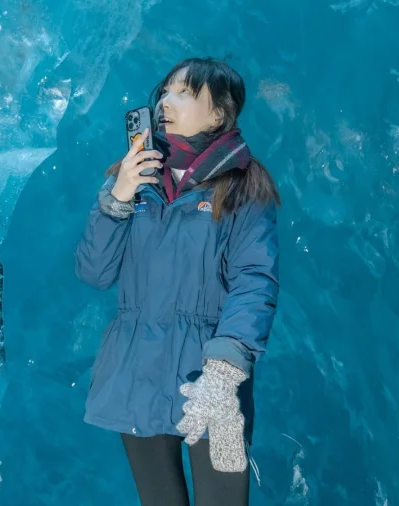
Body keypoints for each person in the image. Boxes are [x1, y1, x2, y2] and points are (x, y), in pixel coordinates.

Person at [74, 57, 281, 506]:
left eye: (185, 92)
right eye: (165, 90)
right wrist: (119, 197)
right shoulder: (133, 179)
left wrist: (224, 374)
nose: (166, 100)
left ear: (219, 112)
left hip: (208, 382)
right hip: (135, 372)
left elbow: (255, 282)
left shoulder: (244, 187)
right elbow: (94, 272)